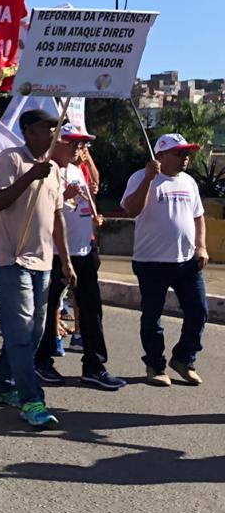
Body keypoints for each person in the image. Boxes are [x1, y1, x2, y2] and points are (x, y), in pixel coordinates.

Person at [0, 109, 74, 428]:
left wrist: (66, 260)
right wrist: (30, 176)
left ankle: (3, 385)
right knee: (21, 332)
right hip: (12, 260)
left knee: (34, 332)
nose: (53, 133)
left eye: (55, 127)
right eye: (46, 128)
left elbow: (58, 216)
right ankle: (31, 400)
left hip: (43, 262)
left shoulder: (55, 169)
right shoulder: (10, 159)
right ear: (28, 131)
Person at [31, 125, 123, 390]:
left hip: (83, 252)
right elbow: (37, 211)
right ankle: (41, 360)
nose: (79, 149)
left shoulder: (75, 170)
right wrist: (63, 196)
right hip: (54, 254)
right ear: (57, 143)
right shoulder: (45, 170)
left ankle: (94, 366)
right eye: (73, 143)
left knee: (92, 310)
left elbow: (84, 203)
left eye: (82, 144)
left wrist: (94, 224)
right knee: (47, 310)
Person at [120, 133, 209, 387]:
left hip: (186, 260)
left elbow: (198, 216)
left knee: (198, 311)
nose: (185, 158)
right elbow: (131, 210)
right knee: (152, 316)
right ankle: (155, 365)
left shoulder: (189, 182)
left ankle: (184, 359)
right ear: (160, 155)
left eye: (187, 154)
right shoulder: (141, 177)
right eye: (179, 154)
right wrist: (149, 178)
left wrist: (201, 246)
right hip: (151, 262)